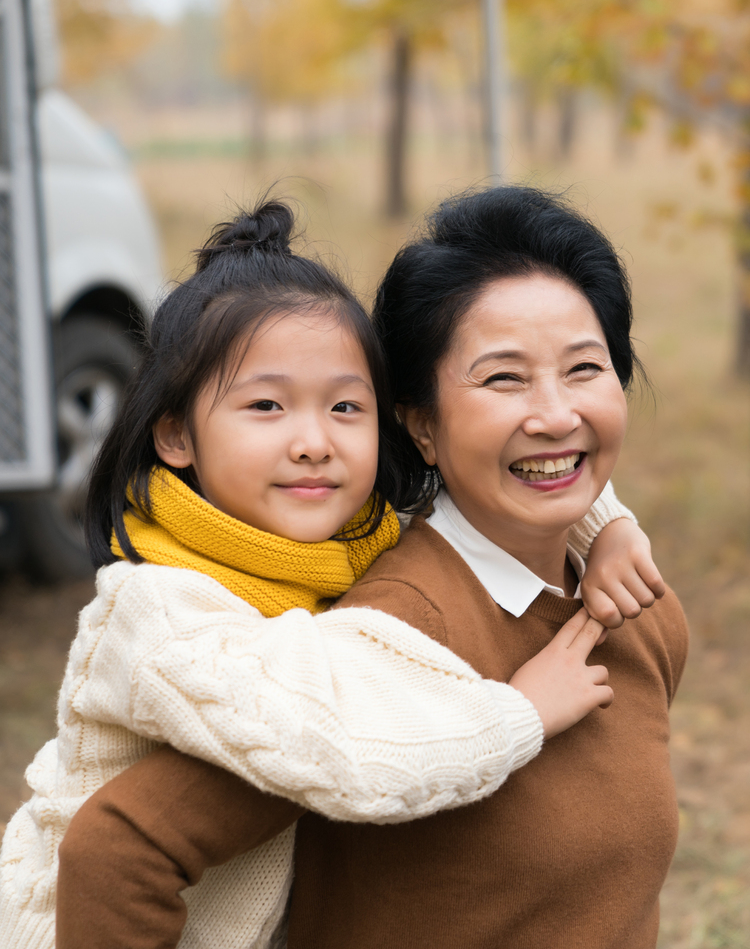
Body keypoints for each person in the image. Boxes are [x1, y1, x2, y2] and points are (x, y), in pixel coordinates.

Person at [16, 196, 660, 949]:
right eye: (266, 406)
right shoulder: (162, 612)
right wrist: (519, 713)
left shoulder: (343, 546)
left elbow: (517, 466)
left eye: (346, 407)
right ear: (175, 434)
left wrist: (603, 522)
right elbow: (331, 750)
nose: (314, 442)